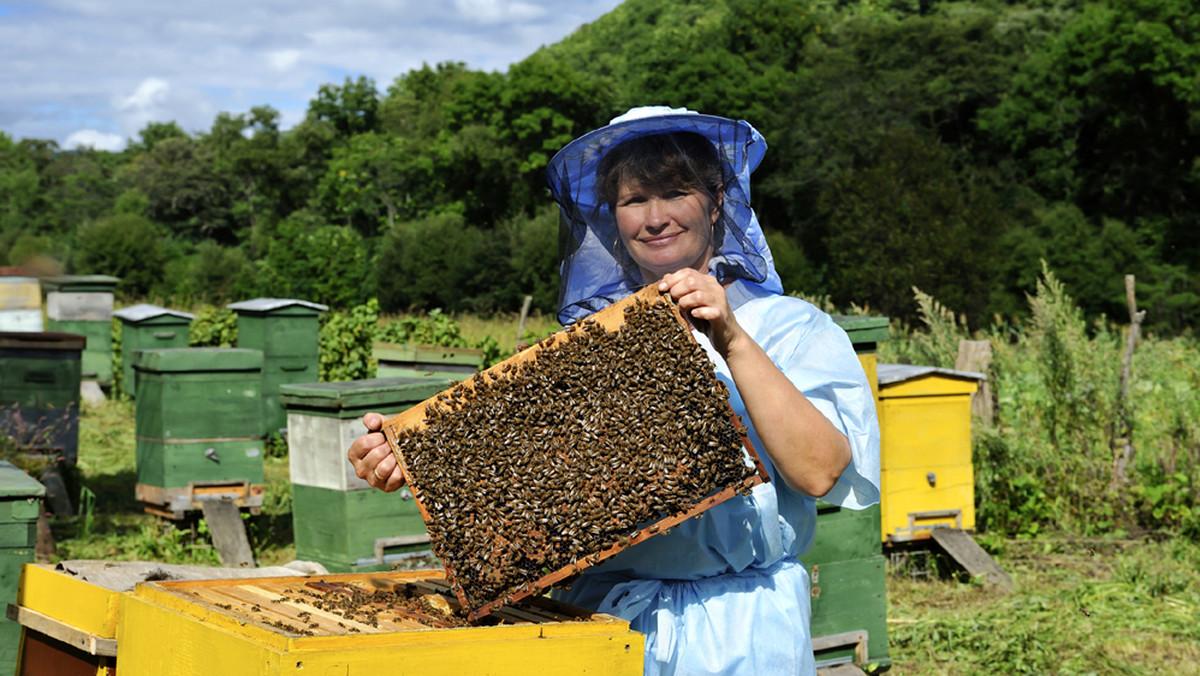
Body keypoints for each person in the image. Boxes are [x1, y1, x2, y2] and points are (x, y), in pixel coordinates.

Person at [347, 106, 881, 675]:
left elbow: (820, 472)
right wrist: (413, 459)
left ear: (717, 200)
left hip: (741, 632)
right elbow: (527, 498)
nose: (654, 218)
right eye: (633, 201)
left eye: (674, 193)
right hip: (603, 626)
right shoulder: (588, 351)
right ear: (610, 217)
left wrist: (733, 340)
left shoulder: (793, 329)